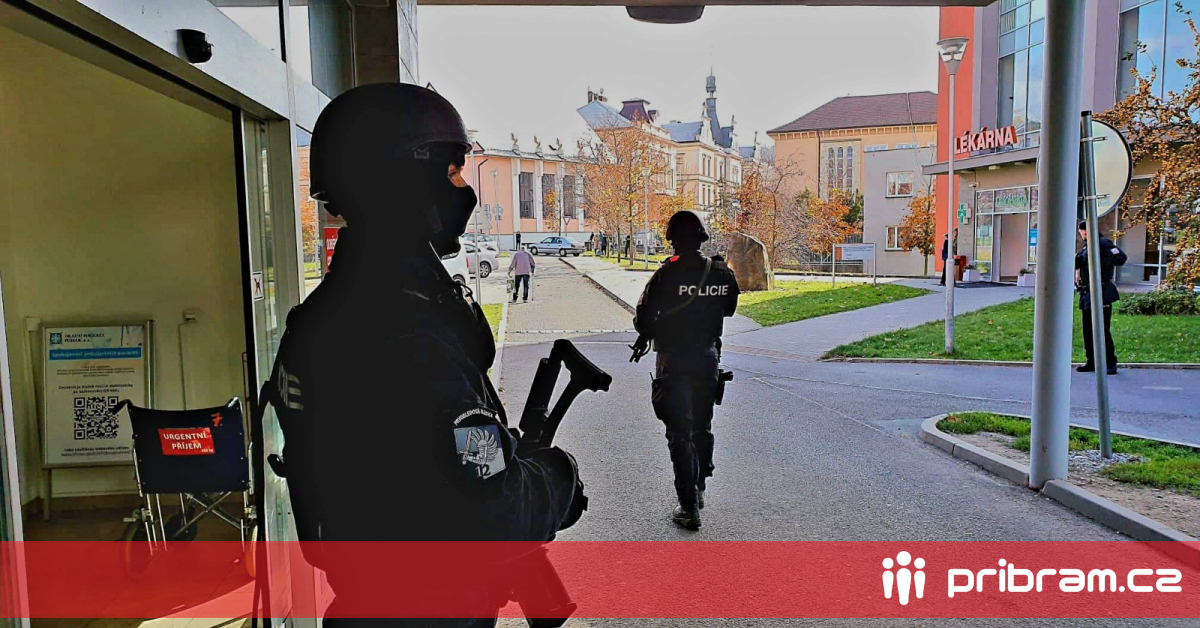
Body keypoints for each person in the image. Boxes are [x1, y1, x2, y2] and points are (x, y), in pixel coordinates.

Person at [268, 83, 585, 625]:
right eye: (452, 171)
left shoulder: (330, 313)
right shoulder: (402, 331)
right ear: (403, 182)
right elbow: (495, 508)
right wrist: (558, 478)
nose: (466, 190)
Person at [629, 211, 740, 531]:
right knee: (702, 427)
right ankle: (700, 486)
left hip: (674, 361)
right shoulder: (720, 272)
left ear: (673, 240)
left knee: (680, 433)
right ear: (702, 238)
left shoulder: (666, 274)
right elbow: (730, 309)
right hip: (707, 359)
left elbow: (643, 319)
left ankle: (689, 507)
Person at [1075, 220, 1127, 375]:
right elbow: (1081, 261)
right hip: (1088, 293)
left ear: (1085, 231)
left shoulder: (1103, 243)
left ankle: (1110, 362)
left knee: (1102, 329)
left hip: (1101, 292)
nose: (1081, 234)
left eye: (1081, 231)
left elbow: (1121, 258)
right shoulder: (1087, 246)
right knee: (1088, 329)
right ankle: (1092, 361)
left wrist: (1100, 261)